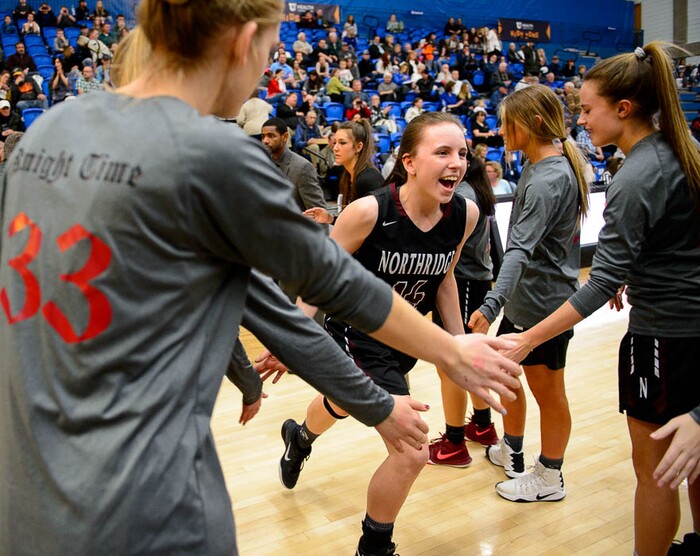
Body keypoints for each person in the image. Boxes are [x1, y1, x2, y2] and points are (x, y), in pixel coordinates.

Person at [0, 2, 522, 555]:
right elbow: (334, 283)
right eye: (270, 49)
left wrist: (267, 381)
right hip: (145, 506)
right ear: (244, 40)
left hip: (22, 486)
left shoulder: (47, 130)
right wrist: (451, 352)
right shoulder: (215, 155)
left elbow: (250, 299)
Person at [500, 43, 700, 555]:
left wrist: (526, 338)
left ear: (624, 108)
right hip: (685, 329)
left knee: (655, 472)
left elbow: (601, 282)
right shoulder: (679, 152)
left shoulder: (635, 175)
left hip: (663, 338)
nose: (581, 121)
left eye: (588, 110)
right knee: (691, 459)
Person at [279, 112, 481, 556]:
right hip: (355, 333)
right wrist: (288, 335)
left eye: (462, 153)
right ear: (409, 162)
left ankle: (300, 436)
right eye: (442, 152)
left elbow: (444, 277)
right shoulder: (370, 210)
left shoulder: (465, 214)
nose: (456, 163)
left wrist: (458, 345)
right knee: (412, 449)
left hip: (405, 341)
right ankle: (374, 547)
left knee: (347, 402)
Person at [469, 84, 590, 504]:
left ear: (533, 124)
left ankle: (550, 475)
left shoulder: (548, 178)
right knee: (509, 378)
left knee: (548, 392)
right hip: (529, 299)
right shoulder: (543, 169)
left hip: (543, 306)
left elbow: (518, 252)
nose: (501, 130)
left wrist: (489, 303)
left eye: (508, 123)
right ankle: (513, 451)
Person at [428, 151, 501, 467]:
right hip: (475, 280)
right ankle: (482, 426)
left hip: (463, 283)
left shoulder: (460, 198)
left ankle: (454, 443)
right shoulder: (473, 191)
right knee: (464, 361)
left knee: (451, 364)